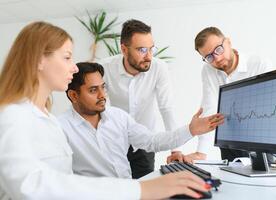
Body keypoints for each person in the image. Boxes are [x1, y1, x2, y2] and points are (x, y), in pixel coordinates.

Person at [0, 21, 217, 199]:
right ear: (39, 60)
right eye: (67, 57)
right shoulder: (14, 116)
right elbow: (29, 186)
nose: (74, 67)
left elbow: (154, 137)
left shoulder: (47, 119)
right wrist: (141, 189)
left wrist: (190, 130)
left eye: (103, 87)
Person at [58, 62, 224, 179]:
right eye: (93, 90)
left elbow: (151, 141)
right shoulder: (60, 128)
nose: (102, 95)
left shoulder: (118, 117)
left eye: (103, 87)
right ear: (73, 95)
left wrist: (191, 129)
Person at [167, 26, 273, 163]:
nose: (216, 58)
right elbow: (209, 107)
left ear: (228, 42)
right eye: (209, 57)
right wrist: (201, 152)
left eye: (218, 49)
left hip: (259, 142)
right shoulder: (208, 70)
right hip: (228, 142)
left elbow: (269, 109)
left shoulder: (259, 64)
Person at [99, 19, 178, 178]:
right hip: (114, 143)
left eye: (151, 49)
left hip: (145, 144)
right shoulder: (104, 68)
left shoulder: (158, 67)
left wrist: (175, 149)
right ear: (124, 49)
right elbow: (101, 108)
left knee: (145, 190)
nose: (149, 56)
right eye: (142, 50)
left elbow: (166, 107)